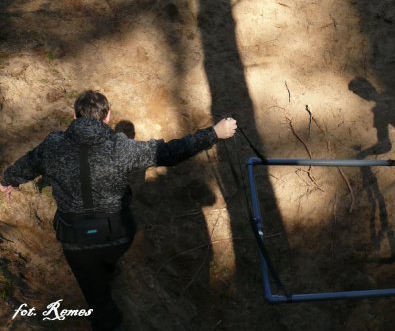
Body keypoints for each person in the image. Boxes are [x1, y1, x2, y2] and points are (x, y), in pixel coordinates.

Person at [0, 90, 237, 331]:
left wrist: (8, 179)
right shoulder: (120, 147)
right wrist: (214, 133)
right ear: (108, 116)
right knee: (104, 275)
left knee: (98, 301)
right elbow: (169, 152)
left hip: (75, 242)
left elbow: (27, 164)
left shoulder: (52, 145)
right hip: (118, 236)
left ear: (74, 116)